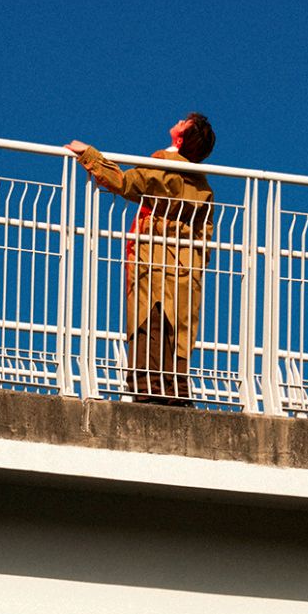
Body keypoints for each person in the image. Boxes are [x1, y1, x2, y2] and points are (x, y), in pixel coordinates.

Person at [65, 114, 215, 405]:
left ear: (182, 136)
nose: (179, 120)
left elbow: (127, 182)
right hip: (187, 263)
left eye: (185, 121)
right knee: (179, 327)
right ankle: (177, 392)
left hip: (151, 256)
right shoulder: (202, 185)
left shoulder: (165, 162)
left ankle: (146, 388)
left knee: (147, 319)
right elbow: (205, 234)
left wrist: (90, 157)